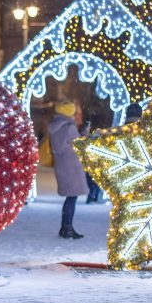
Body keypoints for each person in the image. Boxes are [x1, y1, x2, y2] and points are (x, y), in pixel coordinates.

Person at [47, 100, 87, 239]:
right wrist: (85, 133)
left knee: (70, 197)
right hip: (72, 166)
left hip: (62, 165)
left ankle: (65, 227)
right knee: (72, 198)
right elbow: (79, 144)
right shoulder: (69, 127)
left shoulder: (55, 126)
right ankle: (67, 228)